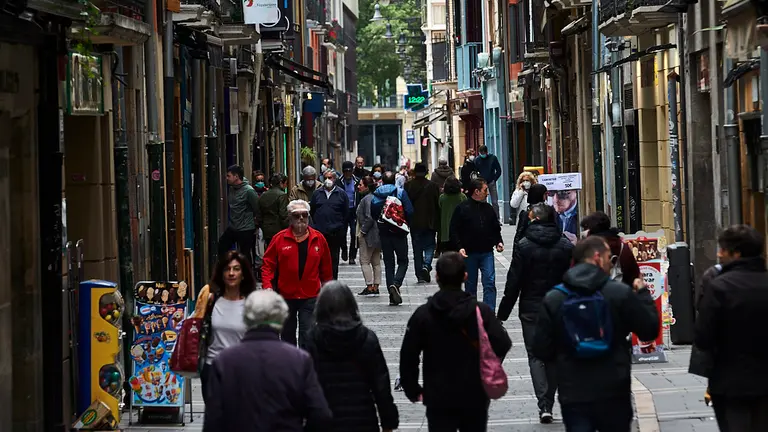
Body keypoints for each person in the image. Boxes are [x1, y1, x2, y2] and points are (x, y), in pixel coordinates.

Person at [532, 236, 659, 431]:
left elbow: (541, 349)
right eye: (609, 257)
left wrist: (565, 354)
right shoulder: (618, 293)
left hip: (573, 391)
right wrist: (642, 294)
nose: (611, 263)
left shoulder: (555, 298)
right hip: (613, 389)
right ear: (598, 258)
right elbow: (649, 330)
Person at [400, 252, 512, 431]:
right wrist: (488, 364)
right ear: (465, 276)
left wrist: (412, 389)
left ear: (437, 277)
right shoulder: (480, 312)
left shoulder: (423, 315)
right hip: (474, 393)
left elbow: (408, 356)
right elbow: (503, 342)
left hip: (438, 396)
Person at [203, 290, 332, 431]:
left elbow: (213, 419)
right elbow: (321, 414)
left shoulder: (224, 362)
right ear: (282, 319)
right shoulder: (299, 360)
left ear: (246, 318)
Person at [497, 203, 573, 423]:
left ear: (535, 220)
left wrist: (502, 313)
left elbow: (514, 282)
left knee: (535, 354)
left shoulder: (524, 245)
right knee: (555, 354)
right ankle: (549, 400)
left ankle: (544, 405)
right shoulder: (565, 245)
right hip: (559, 307)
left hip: (531, 308)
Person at [695, 225, 768, 431]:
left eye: (723, 250)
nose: (719, 254)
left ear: (736, 254)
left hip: (729, 382)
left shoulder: (719, 288)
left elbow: (703, 338)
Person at [304, 282, 399, 432]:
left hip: (323, 422)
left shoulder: (312, 340)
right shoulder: (367, 339)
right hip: (362, 421)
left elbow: (304, 386)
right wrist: (388, 422)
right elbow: (381, 386)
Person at [262, 200, 333, 348]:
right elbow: (268, 264)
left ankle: (304, 365)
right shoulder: (279, 239)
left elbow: (326, 268)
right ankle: (290, 364)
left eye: (304, 215)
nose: (301, 218)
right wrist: (267, 286)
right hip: (286, 295)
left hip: (310, 295)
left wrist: (328, 290)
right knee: (287, 334)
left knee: (308, 334)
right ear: (289, 217)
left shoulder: (318, 239)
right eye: (296, 215)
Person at [191, 250, 257, 402]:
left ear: (243, 274)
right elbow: (196, 323)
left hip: (242, 370)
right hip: (213, 367)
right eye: (227, 269)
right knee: (215, 419)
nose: (231, 273)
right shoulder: (211, 300)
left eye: (236, 269)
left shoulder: (252, 303)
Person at [449, 178, 504, 310]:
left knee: (489, 282)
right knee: (470, 285)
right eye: (485, 190)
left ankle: (489, 313)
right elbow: (454, 229)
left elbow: (495, 227)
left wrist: (498, 241)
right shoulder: (462, 208)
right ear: (477, 191)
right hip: (469, 253)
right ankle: (471, 312)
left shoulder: (488, 209)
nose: (488, 193)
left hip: (486, 252)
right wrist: (459, 247)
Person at [371, 171, 414, 306]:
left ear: (382, 181)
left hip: (384, 233)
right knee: (403, 261)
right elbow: (410, 211)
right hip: (399, 232)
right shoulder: (400, 192)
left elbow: (373, 213)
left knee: (389, 263)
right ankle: (396, 283)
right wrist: (405, 223)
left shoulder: (377, 194)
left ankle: (391, 291)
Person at [580, 211, 640, 286]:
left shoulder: (585, 248)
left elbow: (576, 274)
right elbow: (634, 275)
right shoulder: (622, 247)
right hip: (619, 293)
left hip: (591, 294)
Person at [404, 162, 441, 283]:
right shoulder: (433, 186)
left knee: (417, 248)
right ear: (426, 173)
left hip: (415, 222)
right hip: (430, 221)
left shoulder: (408, 185)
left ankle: (419, 274)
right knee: (430, 245)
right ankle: (426, 265)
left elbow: (406, 205)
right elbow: (437, 205)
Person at [310, 169, 349, 279]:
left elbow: (346, 213)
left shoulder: (341, 194)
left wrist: (340, 226)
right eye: (326, 177)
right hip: (320, 232)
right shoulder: (317, 193)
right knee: (319, 258)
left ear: (334, 179)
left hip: (335, 232)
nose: (328, 180)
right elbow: (312, 210)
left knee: (333, 259)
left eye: (330, 177)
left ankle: (333, 281)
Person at [217, 165, 259, 265]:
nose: (227, 178)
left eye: (229, 176)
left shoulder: (249, 191)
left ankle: (247, 276)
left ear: (236, 177)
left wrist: (256, 225)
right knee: (222, 245)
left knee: (245, 255)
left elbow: (257, 208)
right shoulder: (232, 189)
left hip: (245, 228)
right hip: (233, 226)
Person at [356, 176, 383, 296]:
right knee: (376, 262)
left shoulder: (367, 199)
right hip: (379, 234)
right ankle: (376, 285)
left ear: (366, 187)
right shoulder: (378, 198)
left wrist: (363, 231)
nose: (358, 186)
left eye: (360, 184)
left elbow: (369, 217)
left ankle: (369, 286)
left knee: (365, 261)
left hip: (369, 235)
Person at [255, 173, 289, 248]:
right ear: (281, 183)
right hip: (279, 229)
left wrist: (263, 226)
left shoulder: (263, 195)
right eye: (286, 183)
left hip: (266, 230)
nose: (286, 185)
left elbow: (259, 214)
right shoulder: (282, 195)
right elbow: (283, 215)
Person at [339, 161, 361, 265]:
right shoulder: (338, 182)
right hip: (343, 211)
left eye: (349, 171)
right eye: (346, 171)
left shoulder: (357, 181)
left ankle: (352, 256)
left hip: (354, 211)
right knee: (342, 234)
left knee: (354, 234)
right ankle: (344, 249)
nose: (348, 173)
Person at [438, 177, 466, 254]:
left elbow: (439, 207)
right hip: (460, 231)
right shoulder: (462, 197)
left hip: (445, 232)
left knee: (447, 257)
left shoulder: (442, 197)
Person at [474, 145, 502, 220]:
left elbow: (499, 170)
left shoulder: (492, 158)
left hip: (491, 182)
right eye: (481, 153)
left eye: (483, 153)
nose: (482, 154)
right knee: (482, 201)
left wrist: (494, 179)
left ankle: (496, 218)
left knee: (495, 202)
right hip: (481, 183)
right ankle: (484, 218)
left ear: (486, 152)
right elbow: (475, 171)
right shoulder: (477, 160)